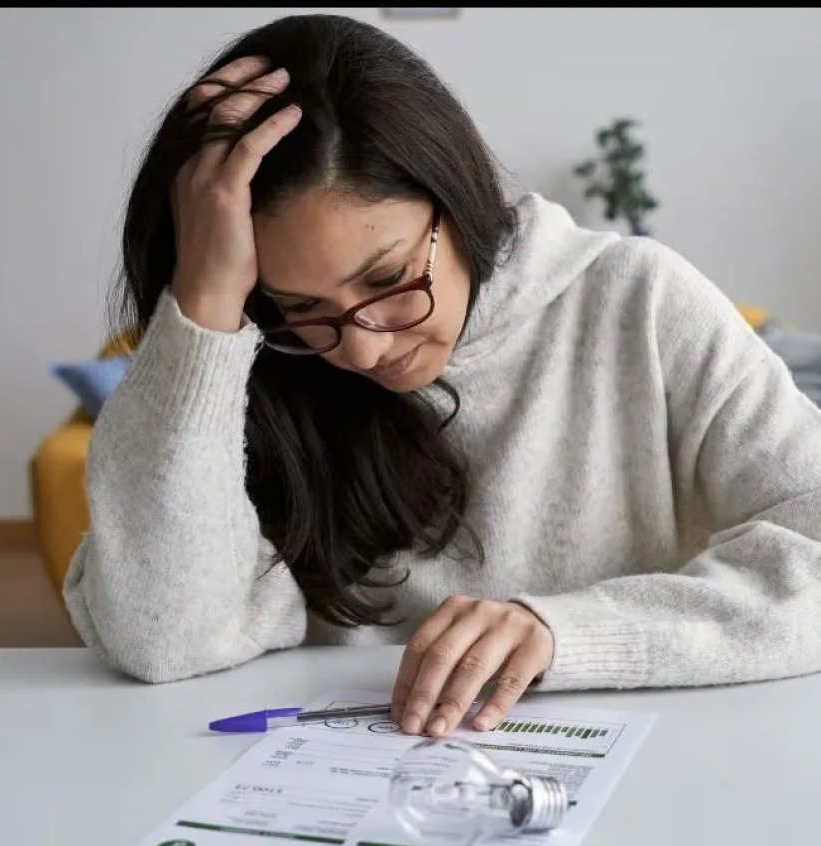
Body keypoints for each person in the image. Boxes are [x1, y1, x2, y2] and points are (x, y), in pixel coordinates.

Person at [64, 13, 821, 740]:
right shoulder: (259, 354)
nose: (360, 352)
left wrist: (564, 633)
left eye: (388, 278)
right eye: (303, 306)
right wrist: (206, 305)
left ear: (454, 196)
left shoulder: (640, 301)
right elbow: (162, 637)